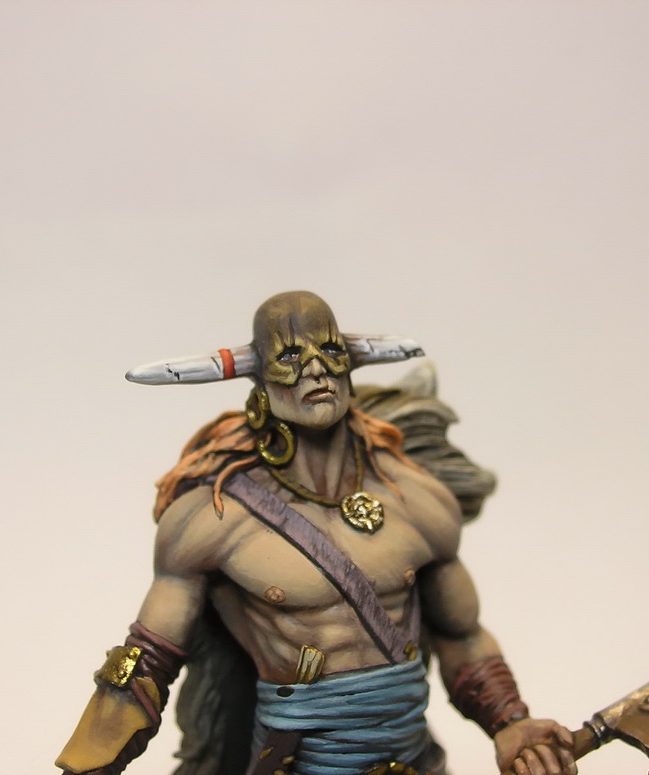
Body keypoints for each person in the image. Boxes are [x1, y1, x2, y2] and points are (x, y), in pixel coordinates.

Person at [56, 291, 577, 775]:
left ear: (348, 364)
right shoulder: (214, 517)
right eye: (289, 357)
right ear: (261, 384)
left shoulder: (417, 498)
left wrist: (510, 723)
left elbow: (463, 634)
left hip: (412, 761)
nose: (314, 370)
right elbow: (142, 665)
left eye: (329, 351)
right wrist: (86, 768)